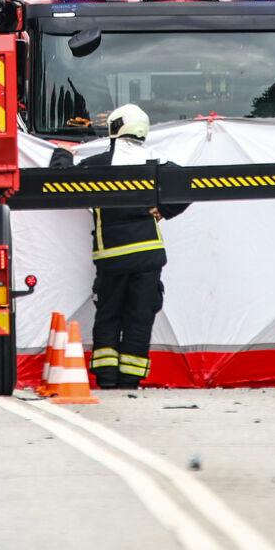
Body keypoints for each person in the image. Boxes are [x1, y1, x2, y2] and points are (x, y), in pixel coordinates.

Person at [83, 104, 185, 389]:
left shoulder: (97, 165)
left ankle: (106, 377)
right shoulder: (156, 162)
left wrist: (61, 155)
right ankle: (130, 379)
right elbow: (188, 184)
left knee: (109, 314)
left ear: (115, 128)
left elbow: (60, 178)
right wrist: (164, 208)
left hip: (112, 256)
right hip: (148, 256)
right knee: (140, 317)